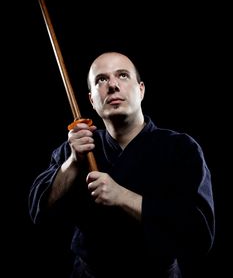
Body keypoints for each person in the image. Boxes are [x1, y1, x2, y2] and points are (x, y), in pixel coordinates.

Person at [28, 51, 215, 277]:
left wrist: (122, 196)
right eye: (101, 80)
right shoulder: (78, 147)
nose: (113, 85)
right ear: (91, 100)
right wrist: (73, 163)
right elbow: (38, 211)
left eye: (123, 75)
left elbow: (199, 234)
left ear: (141, 90)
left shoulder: (181, 148)